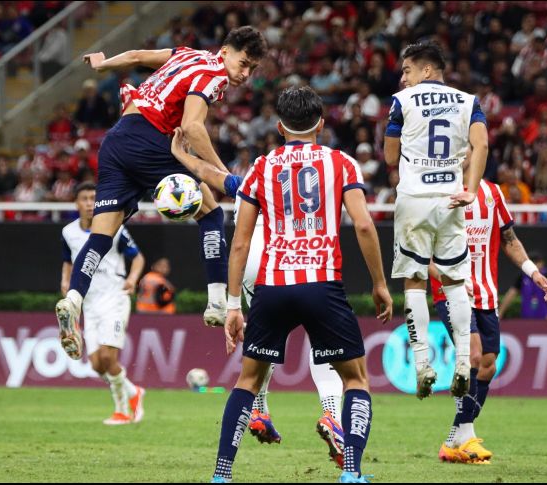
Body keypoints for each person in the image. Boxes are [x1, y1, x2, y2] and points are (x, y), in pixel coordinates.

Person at [206, 87, 393, 484]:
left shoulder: (261, 166)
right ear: (321, 125)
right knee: (356, 379)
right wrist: (379, 283)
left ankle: (222, 474)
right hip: (322, 284)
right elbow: (362, 224)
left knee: (248, 380)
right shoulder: (341, 163)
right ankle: (352, 473)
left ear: (279, 127)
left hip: (273, 286)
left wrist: (233, 304)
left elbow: (239, 241)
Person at [55, 27, 268, 361]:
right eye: (243, 64)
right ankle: (216, 301)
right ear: (225, 51)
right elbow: (194, 127)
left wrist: (103, 64)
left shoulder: (188, 53)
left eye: (252, 70)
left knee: (100, 237)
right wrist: (223, 175)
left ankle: (73, 300)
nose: (244, 74)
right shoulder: (214, 73)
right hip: (151, 140)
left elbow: (138, 57)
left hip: (116, 139)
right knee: (211, 213)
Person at [170, 115, 352, 468]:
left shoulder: (258, 174)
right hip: (295, 259)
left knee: (262, 345)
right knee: (324, 344)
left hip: (255, 266)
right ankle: (332, 413)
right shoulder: (326, 166)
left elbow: (215, 178)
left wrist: (182, 156)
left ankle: (259, 411)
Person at [383, 41, 488, 399]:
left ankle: (423, 364)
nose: (403, 78)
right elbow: (482, 145)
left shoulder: (403, 102)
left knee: (414, 281)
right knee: (455, 280)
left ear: (426, 70)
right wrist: (470, 189)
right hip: (451, 199)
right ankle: (461, 362)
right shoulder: (469, 101)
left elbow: (388, 155)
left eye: (407, 70)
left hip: (414, 199)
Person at [430, 162, 547, 464]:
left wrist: (532, 272)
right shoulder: (434, 193)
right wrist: (451, 280)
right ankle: (468, 437)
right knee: (472, 355)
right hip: (451, 291)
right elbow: (419, 253)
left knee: (487, 365)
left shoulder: (493, 193)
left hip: (486, 293)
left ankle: (454, 440)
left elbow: (510, 241)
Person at [60, 182, 147, 425]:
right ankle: (134, 392)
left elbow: (138, 258)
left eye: (93, 199)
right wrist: (65, 280)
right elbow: (68, 261)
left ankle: (121, 410)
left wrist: (132, 278)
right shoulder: (68, 232)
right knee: (97, 365)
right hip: (89, 302)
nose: (89, 203)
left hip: (114, 297)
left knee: (109, 358)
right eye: (85, 198)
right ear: (76, 203)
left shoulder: (114, 228)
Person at [498, 252, 547, 321]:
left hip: (544, 318)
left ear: (542, 263)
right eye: (533, 263)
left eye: (538, 262)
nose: (537, 265)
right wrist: (500, 313)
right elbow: (510, 295)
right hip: (526, 317)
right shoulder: (522, 276)